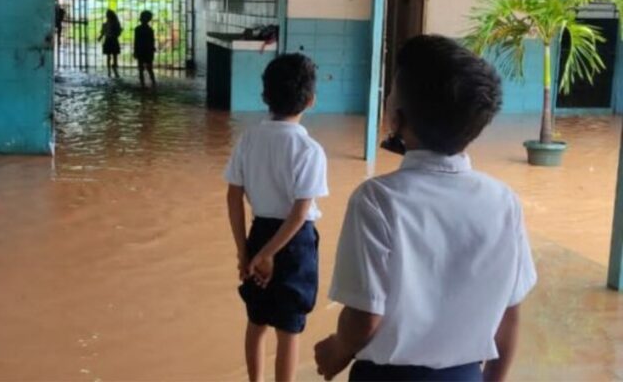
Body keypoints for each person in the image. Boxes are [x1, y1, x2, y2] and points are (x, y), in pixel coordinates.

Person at [314, 35, 537, 382]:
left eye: (392, 91)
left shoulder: (376, 199)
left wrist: (336, 351)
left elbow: (363, 317)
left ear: (396, 118)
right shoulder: (504, 201)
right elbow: (509, 318)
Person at [224, 53, 328, 382]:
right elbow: (300, 211)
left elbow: (233, 195)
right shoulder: (309, 149)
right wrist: (270, 254)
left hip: (258, 232)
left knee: (256, 321)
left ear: (265, 96)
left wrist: (246, 252)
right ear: (310, 100)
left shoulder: (249, 139)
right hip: (294, 244)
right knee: (288, 330)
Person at [134, 11, 157, 88]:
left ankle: (142, 84)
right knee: (149, 68)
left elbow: (136, 41)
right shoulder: (150, 30)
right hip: (148, 50)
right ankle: (153, 83)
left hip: (141, 50)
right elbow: (152, 41)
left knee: (141, 68)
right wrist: (153, 48)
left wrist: (135, 51)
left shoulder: (138, 29)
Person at [98, 9, 122, 78]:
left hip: (109, 40)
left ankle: (111, 70)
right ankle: (113, 70)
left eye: (108, 15)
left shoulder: (108, 24)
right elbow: (103, 32)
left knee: (111, 56)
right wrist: (100, 37)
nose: (107, 16)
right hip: (112, 40)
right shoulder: (115, 23)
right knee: (113, 55)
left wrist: (100, 37)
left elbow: (103, 32)